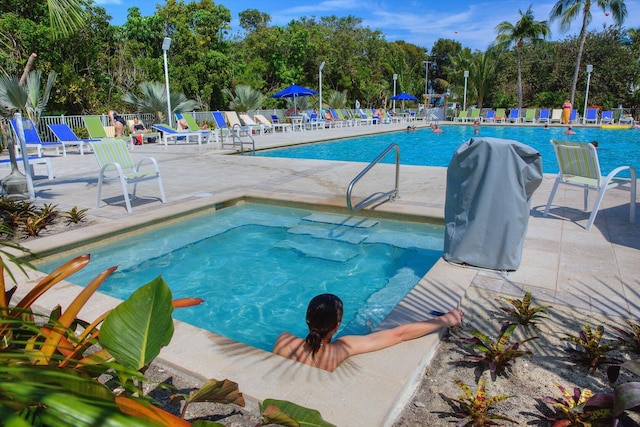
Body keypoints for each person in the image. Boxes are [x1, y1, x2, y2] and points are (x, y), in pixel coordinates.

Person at [273, 294, 463, 372]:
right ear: (336, 326)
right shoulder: (340, 349)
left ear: (307, 319)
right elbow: (400, 334)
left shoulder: (284, 340)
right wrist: (447, 319)